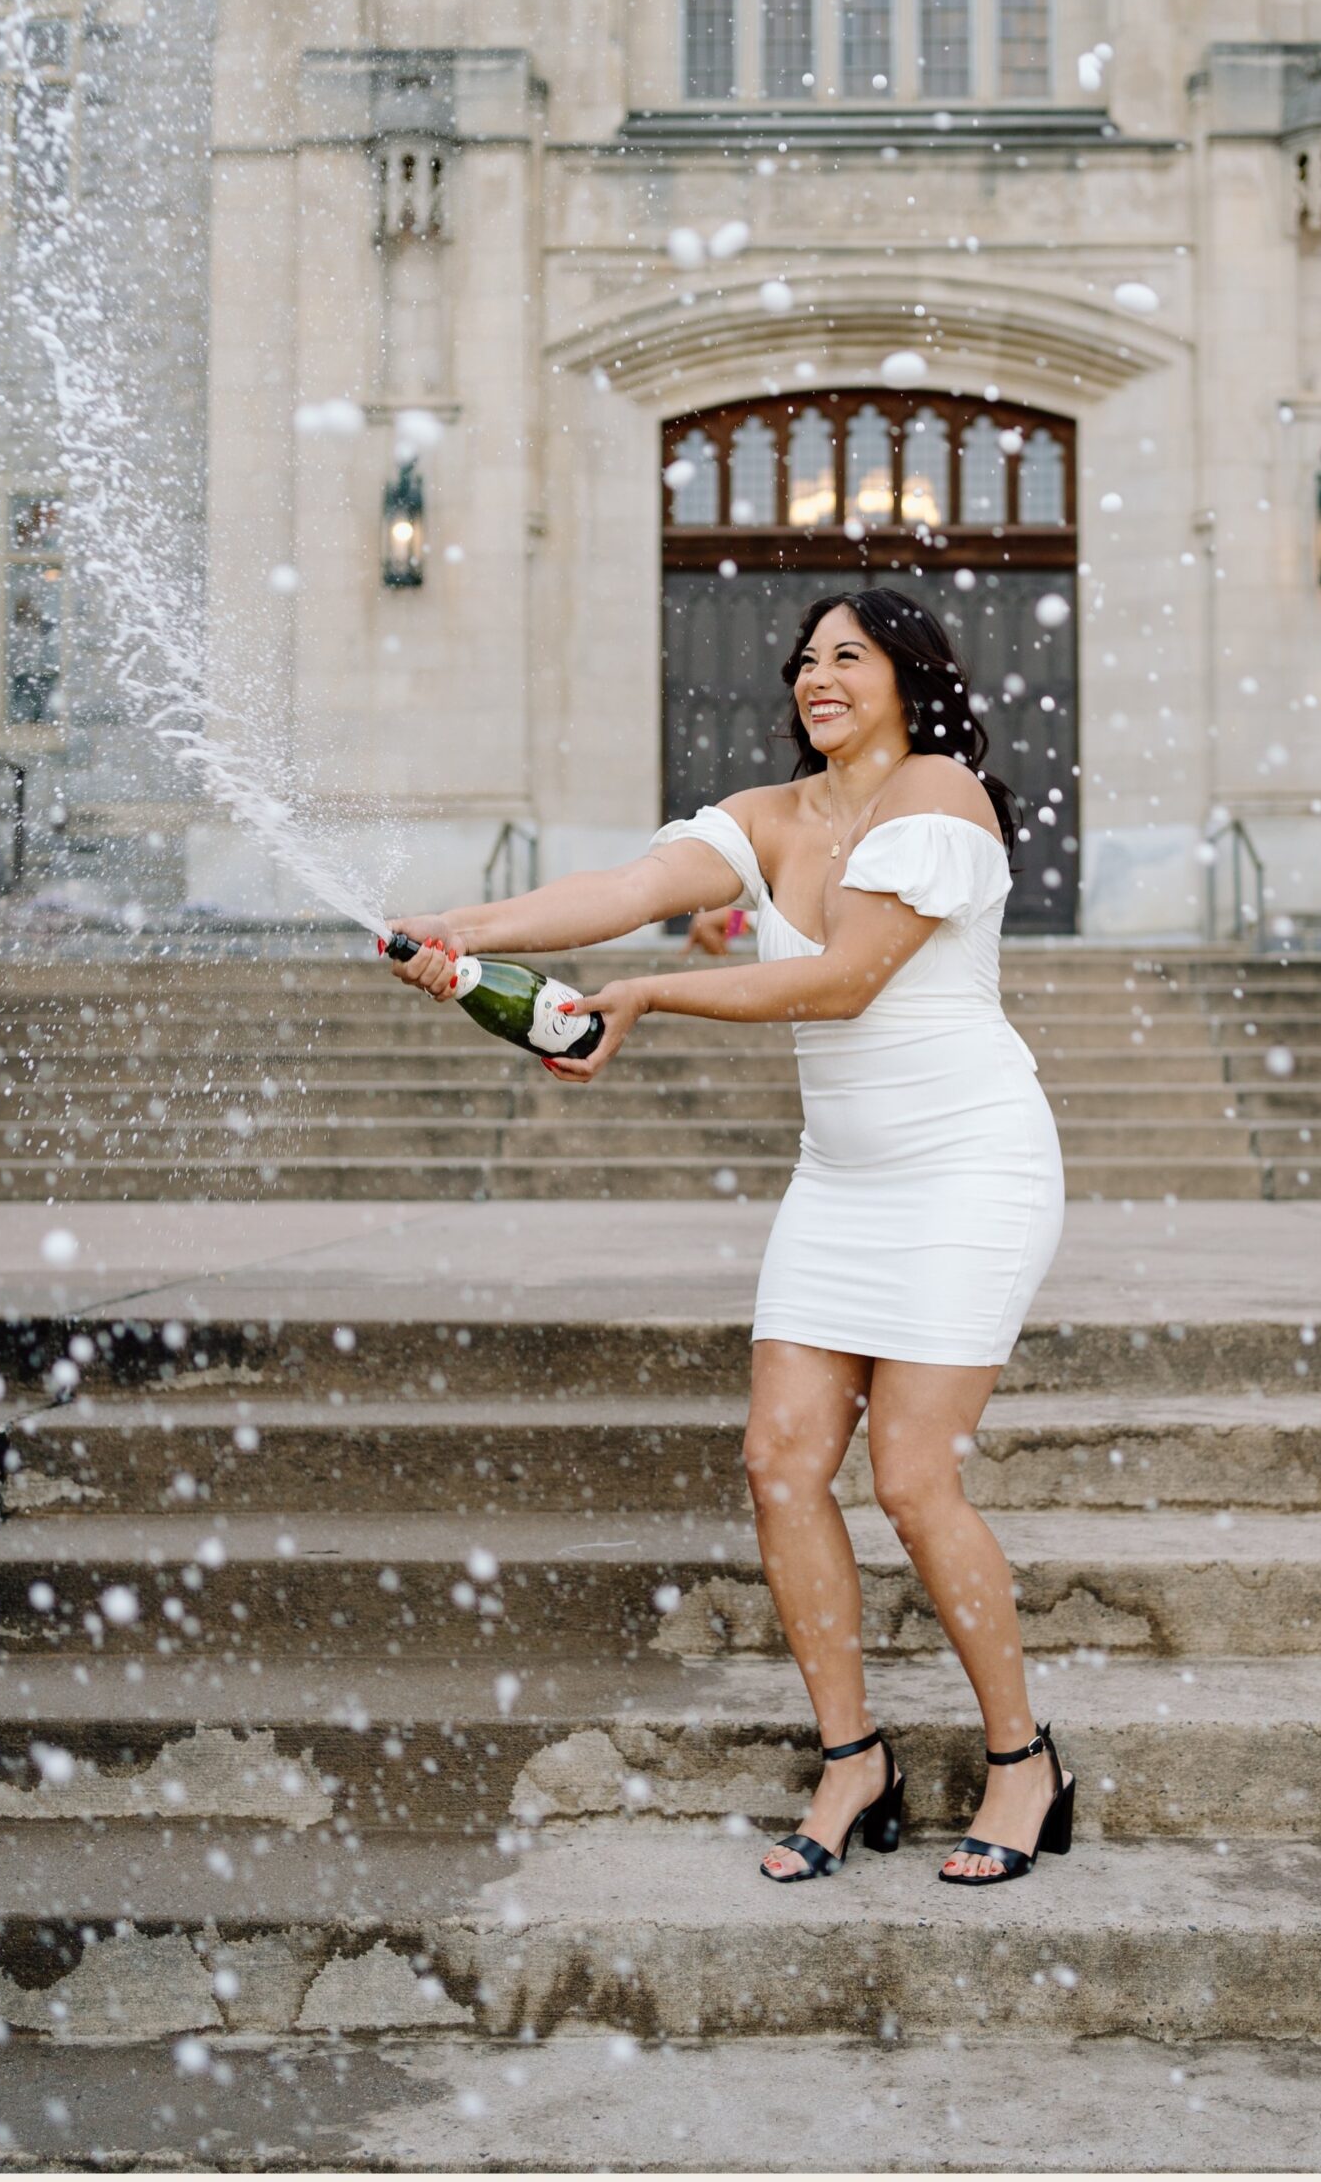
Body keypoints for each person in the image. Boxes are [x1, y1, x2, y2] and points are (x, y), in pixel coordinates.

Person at [386, 587, 1071, 1886]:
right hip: (846, 1180)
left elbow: (844, 980)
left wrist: (648, 992)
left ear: (909, 678)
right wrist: (455, 934)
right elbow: (622, 888)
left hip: (969, 1169)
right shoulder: (774, 814)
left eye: (849, 657)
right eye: (806, 659)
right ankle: (854, 1757)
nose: (819, 677)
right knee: (778, 1463)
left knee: (916, 1483)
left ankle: (1024, 1759)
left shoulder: (940, 797)